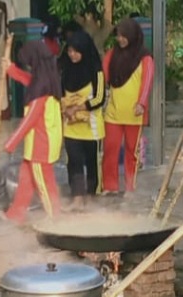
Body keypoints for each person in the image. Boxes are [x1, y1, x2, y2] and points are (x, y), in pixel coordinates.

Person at [2, 40, 63, 223]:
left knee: (44, 184)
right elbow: (28, 80)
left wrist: (11, 143)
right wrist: (11, 69)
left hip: (40, 145)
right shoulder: (46, 79)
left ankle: (55, 219)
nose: (28, 66)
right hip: (42, 142)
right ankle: (15, 215)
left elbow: (29, 121)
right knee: (25, 181)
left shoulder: (39, 91)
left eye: (29, 62)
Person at [101, 18, 154, 196]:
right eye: (118, 36)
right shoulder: (111, 54)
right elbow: (103, 77)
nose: (120, 39)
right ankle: (110, 186)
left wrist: (142, 103)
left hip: (134, 113)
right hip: (113, 112)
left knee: (132, 151)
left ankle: (130, 187)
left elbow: (147, 81)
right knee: (110, 149)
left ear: (132, 36)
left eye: (124, 36)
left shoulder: (145, 57)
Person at [61, 30, 105, 211]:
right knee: (74, 161)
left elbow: (100, 98)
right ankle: (77, 198)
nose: (72, 55)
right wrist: (65, 109)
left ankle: (91, 196)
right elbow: (60, 93)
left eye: (76, 51)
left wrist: (78, 108)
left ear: (85, 50)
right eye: (70, 51)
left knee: (91, 162)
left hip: (91, 126)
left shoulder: (97, 70)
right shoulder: (65, 69)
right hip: (70, 126)